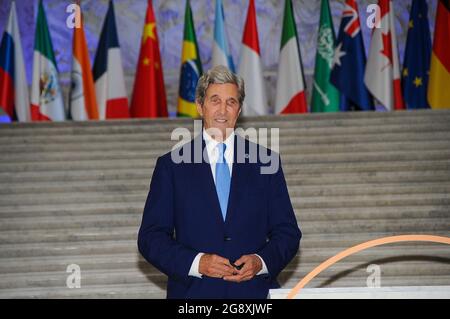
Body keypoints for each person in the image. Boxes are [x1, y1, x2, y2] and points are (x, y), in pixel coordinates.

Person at [137, 65, 301, 299]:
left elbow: (288, 233)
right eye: (215, 100)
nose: (223, 110)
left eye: (231, 102)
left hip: (253, 297)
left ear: (239, 109)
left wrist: (260, 261)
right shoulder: (171, 166)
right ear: (199, 106)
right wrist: (197, 263)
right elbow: (150, 237)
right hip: (193, 296)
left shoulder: (266, 162)